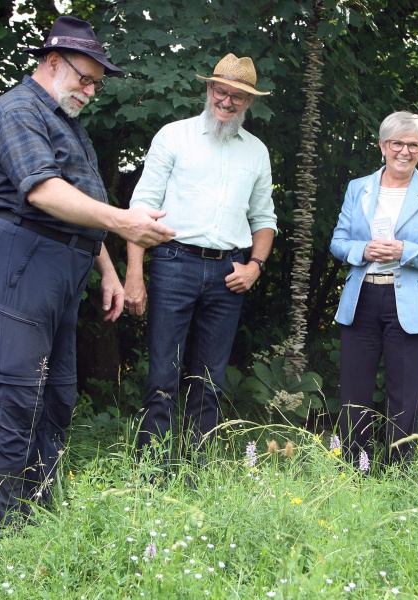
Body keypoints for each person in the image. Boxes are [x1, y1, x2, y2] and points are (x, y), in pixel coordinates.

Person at [0, 16, 175, 535]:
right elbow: (41, 192)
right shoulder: (16, 110)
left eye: (96, 85)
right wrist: (123, 222)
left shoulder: (65, 121)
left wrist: (104, 266)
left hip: (64, 264)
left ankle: (36, 523)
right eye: (84, 77)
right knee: (16, 398)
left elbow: (80, 205)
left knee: (56, 395)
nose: (90, 90)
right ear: (53, 62)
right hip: (21, 257)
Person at [125, 54, 277, 469]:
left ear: (249, 102)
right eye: (220, 91)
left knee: (209, 380)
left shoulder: (257, 152)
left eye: (237, 96)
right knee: (162, 376)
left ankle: (198, 472)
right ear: (208, 89)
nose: (226, 101)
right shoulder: (174, 136)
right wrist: (134, 275)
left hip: (230, 272)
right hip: (174, 262)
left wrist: (255, 266)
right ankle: (151, 474)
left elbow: (265, 219)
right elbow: (142, 208)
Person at [329, 111, 418, 471]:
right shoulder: (359, 188)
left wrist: (407, 251)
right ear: (383, 146)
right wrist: (362, 250)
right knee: (355, 393)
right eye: (398, 143)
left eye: (413, 145)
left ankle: (398, 475)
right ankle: (354, 473)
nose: (405, 151)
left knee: (405, 397)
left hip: (411, 305)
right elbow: (339, 242)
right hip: (363, 298)